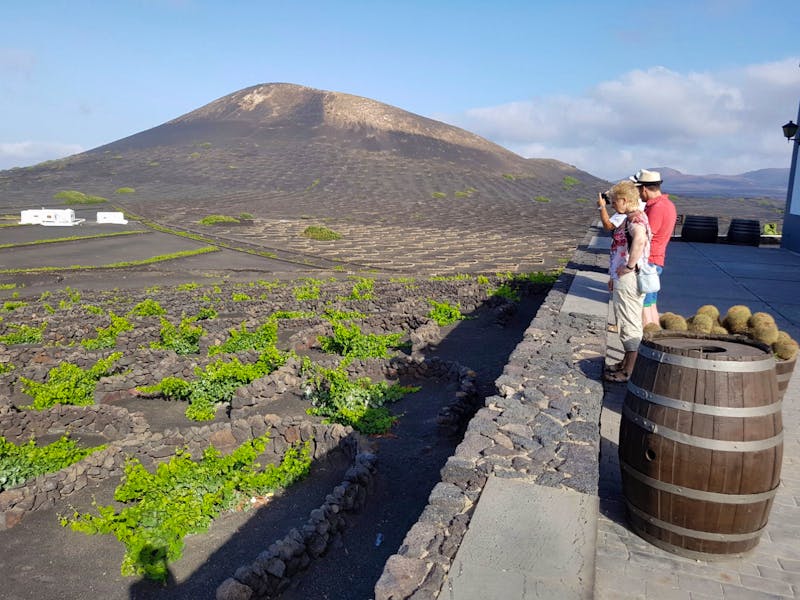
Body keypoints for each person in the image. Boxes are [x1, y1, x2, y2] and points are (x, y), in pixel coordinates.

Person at [604, 180, 652, 382]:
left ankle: (628, 371)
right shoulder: (635, 217)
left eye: (614, 202)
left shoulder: (635, 220)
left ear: (624, 200)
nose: (613, 206)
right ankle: (626, 363)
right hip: (625, 277)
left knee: (629, 322)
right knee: (627, 319)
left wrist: (629, 266)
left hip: (629, 278)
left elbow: (639, 239)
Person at [632, 169, 677, 327]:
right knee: (650, 301)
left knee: (643, 303)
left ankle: (645, 337)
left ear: (643, 188)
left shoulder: (657, 208)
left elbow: (644, 236)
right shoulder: (668, 204)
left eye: (638, 190)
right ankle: (654, 331)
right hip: (656, 259)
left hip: (648, 261)